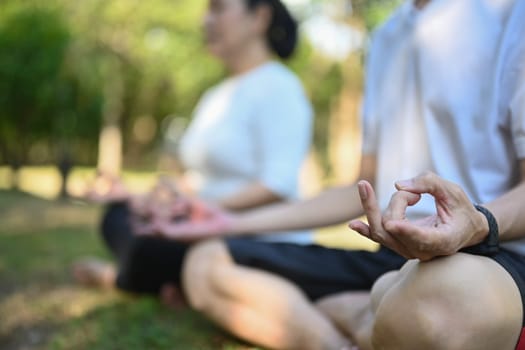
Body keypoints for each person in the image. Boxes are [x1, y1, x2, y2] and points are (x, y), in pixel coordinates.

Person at [142, 0, 525, 348]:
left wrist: (477, 223)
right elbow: (361, 189)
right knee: (207, 261)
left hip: (489, 256)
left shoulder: (511, 14)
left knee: (441, 312)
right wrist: (228, 222)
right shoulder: (388, 35)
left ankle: (357, 309)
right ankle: (346, 333)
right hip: (391, 259)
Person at [73, 0, 314, 299]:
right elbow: (198, 181)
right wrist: (138, 196)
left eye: (217, 8)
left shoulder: (281, 87)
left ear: (260, 17)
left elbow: (277, 185)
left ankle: (125, 279)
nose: (205, 20)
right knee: (119, 216)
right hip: (202, 223)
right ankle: (177, 283)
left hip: (252, 234)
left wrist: (203, 213)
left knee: (148, 247)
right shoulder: (215, 96)